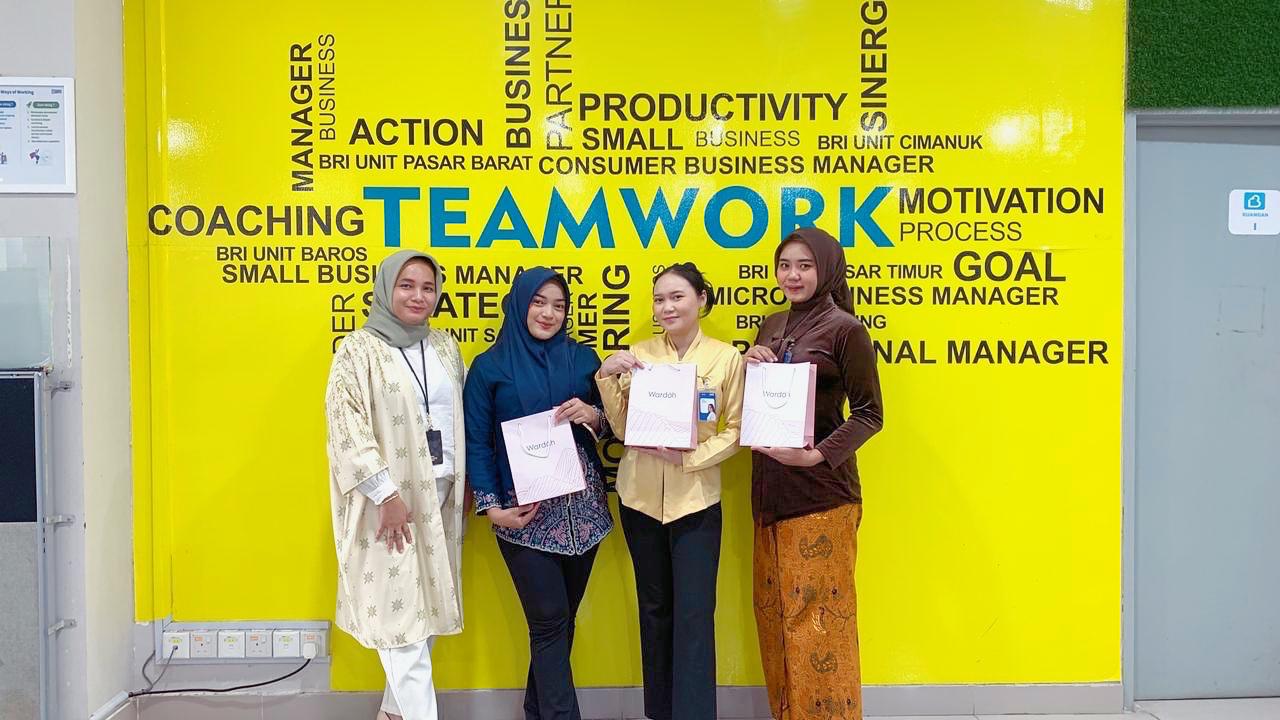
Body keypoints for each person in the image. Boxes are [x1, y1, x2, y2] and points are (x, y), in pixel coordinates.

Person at [745, 228, 884, 720]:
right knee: (776, 621)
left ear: (826, 269)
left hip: (821, 497)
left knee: (820, 623)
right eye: (785, 265)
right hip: (769, 496)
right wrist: (748, 365)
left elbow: (870, 414)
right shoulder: (771, 325)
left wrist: (818, 456)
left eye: (805, 265)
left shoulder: (846, 329)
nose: (793, 275)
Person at [595, 262, 743, 720]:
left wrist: (690, 459)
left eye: (677, 296)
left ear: (701, 299)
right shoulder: (639, 354)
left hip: (696, 502)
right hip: (639, 500)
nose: (666, 307)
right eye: (659, 299)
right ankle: (659, 712)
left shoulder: (726, 359)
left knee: (694, 615)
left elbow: (737, 430)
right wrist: (606, 377)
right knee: (654, 609)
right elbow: (623, 429)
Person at [463, 267, 613, 720]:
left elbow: (610, 421)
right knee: (548, 621)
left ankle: (537, 710)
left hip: (583, 514)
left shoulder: (583, 360)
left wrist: (593, 414)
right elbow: (477, 442)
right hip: (524, 516)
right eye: (539, 301)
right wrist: (492, 509)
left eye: (559, 305)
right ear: (519, 303)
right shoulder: (489, 368)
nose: (549, 313)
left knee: (560, 624)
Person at [324, 250, 467, 720]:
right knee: (399, 617)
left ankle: (392, 712)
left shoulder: (444, 346)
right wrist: (385, 494)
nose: (418, 296)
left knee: (421, 609)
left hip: (440, 493)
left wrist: (465, 482)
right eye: (407, 285)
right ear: (386, 289)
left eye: (428, 287)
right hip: (388, 500)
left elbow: (456, 414)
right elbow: (346, 426)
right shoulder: (358, 350)